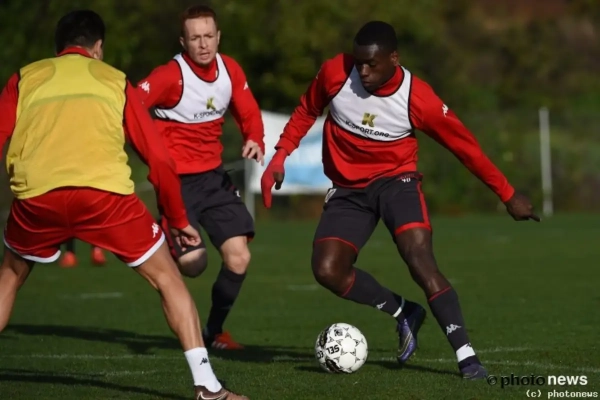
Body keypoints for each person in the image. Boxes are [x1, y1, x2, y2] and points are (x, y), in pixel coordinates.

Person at [261, 21, 539, 380]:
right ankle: (404, 311)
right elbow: (306, 110)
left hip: (396, 183)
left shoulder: (418, 99)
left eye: (372, 64)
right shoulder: (335, 73)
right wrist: (280, 155)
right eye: (359, 62)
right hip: (348, 190)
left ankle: (467, 357)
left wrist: (508, 194)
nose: (363, 71)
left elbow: (466, 148)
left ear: (394, 58)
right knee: (327, 270)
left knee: (419, 258)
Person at [0, 10, 247, 399]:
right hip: (106, 197)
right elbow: (159, 160)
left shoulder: (25, 76)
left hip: (37, 196)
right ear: (98, 47)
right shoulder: (115, 80)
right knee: (168, 279)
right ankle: (208, 388)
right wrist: (178, 218)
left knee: (10, 277)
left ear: (58, 48)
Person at [136, 4, 265, 350]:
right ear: (183, 42)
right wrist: (151, 155)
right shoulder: (169, 76)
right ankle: (157, 241)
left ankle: (214, 331)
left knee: (239, 258)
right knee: (194, 264)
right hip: (177, 184)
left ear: (218, 36)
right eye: (195, 38)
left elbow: (249, 112)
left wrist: (254, 138)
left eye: (209, 36)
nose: (203, 44)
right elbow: (130, 107)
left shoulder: (230, 70)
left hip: (214, 179)